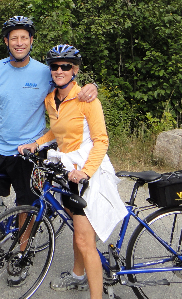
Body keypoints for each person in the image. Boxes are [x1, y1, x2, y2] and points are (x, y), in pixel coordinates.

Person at [0, 17, 98, 283]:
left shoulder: (45, 72)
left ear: (31, 41)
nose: (19, 43)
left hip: (28, 154)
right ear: (6, 42)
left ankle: (22, 255)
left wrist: (93, 87)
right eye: (14, 38)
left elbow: (70, 86)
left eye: (24, 38)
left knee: (26, 206)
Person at [18, 44, 128, 299]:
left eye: (65, 66)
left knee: (83, 240)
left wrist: (86, 172)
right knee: (76, 229)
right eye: (55, 66)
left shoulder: (87, 100)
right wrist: (35, 144)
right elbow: (56, 132)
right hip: (67, 169)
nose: (59, 70)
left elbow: (101, 140)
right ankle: (79, 276)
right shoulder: (51, 99)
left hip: (88, 171)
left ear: (75, 70)